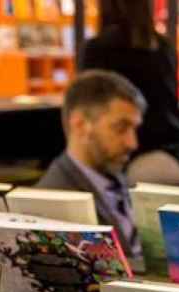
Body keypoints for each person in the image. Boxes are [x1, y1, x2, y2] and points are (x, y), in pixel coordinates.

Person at [37, 70, 145, 260]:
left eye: (134, 129)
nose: (132, 143)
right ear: (80, 125)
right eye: (121, 128)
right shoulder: (54, 202)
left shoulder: (116, 179)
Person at [82, 0, 179, 180]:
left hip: (121, 161)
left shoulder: (99, 49)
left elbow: (88, 107)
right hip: (169, 157)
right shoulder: (164, 47)